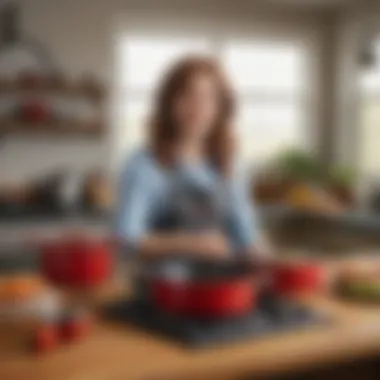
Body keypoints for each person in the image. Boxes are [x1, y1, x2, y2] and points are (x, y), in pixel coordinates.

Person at [115, 55, 271, 260]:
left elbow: (247, 237)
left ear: (221, 108)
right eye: (187, 95)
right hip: (164, 285)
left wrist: (268, 257)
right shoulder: (144, 164)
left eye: (209, 97)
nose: (198, 106)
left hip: (225, 283)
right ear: (169, 102)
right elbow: (126, 240)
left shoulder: (232, 163)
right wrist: (190, 244)